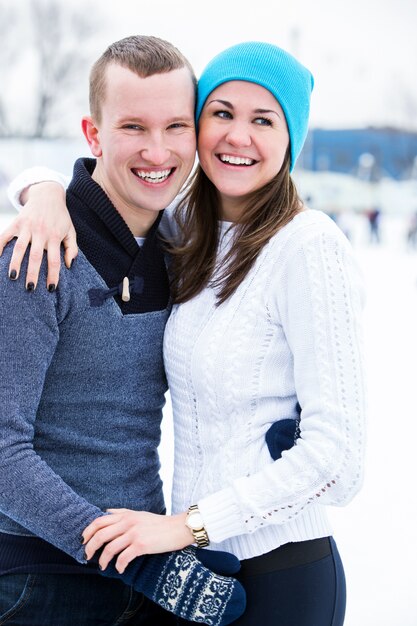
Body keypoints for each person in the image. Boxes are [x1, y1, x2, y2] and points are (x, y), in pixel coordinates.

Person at [2, 41, 366, 626]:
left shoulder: (273, 245)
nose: (237, 136)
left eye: (263, 120)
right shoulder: (141, 240)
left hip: (231, 567)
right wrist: (41, 188)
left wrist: (182, 533)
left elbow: (339, 461)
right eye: (221, 113)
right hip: (116, 574)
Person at [0, 35, 250, 626]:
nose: (157, 150)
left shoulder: (180, 247)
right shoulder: (38, 253)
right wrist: (124, 558)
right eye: (133, 127)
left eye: (175, 127)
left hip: (143, 563)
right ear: (93, 135)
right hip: (43, 580)